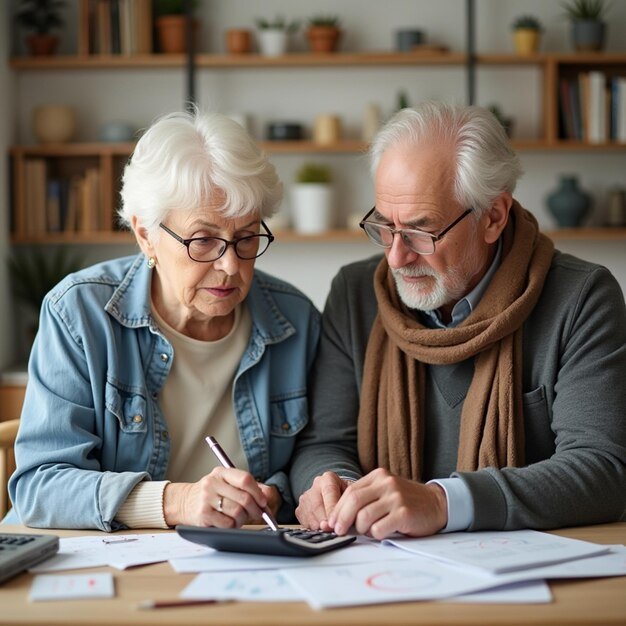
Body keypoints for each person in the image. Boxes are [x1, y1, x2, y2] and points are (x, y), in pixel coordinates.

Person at [290, 101, 626, 540]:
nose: (395, 255)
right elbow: (323, 444)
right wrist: (336, 489)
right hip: (380, 568)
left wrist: (441, 502)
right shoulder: (355, 295)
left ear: (493, 217)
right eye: (384, 226)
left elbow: (603, 470)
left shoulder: (582, 297)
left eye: (420, 232)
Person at [6, 110, 320, 531]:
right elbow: (40, 486)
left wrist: (276, 493)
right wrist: (176, 502)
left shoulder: (296, 320)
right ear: (145, 235)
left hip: (252, 551)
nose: (230, 264)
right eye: (203, 240)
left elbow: (318, 451)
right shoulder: (78, 314)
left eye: (246, 237)